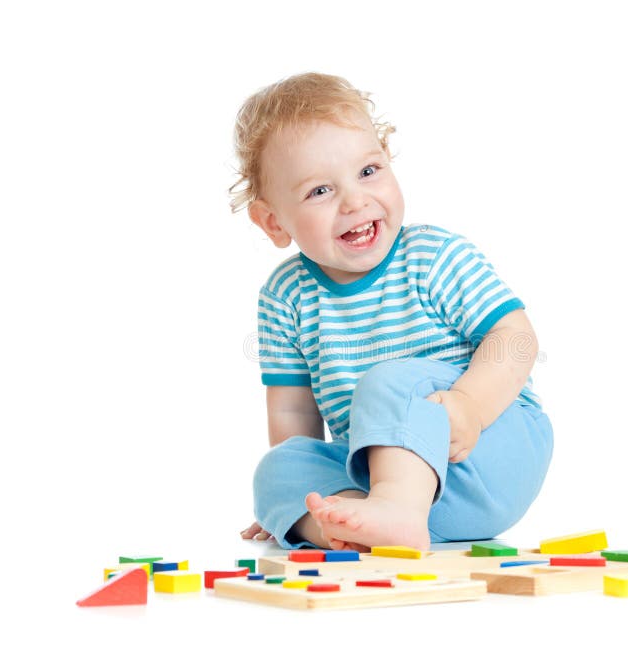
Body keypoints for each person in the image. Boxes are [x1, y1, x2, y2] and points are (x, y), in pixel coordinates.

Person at [231, 72, 553, 551]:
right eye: (320, 191)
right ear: (273, 221)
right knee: (278, 469)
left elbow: (516, 336)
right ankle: (342, 523)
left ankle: (393, 512)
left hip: (485, 449)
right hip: (380, 476)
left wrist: (470, 404)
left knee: (388, 381)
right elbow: (293, 409)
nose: (355, 200)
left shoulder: (433, 257)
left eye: (368, 171)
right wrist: (298, 498)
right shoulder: (285, 296)